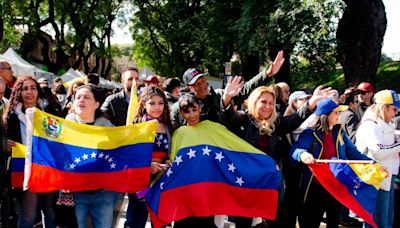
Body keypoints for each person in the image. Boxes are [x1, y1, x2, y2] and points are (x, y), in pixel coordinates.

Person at [220, 76, 333, 227]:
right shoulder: (243, 120)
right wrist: (227, 97)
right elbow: (228, 118)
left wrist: (311, 103)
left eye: (271, 103)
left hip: (270, 183)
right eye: (263, 102)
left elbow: (294, 119)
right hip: (245, 182)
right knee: (244, 222)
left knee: (276, 220)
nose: (268, 106)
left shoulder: (276, 123)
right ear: (254, 102)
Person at [290, 98, 374, 228]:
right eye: (336, 113)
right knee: (310, 223)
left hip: (337, 187)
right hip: (315, 188)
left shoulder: (340, 132)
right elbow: (295, 149)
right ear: (325, 115)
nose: (339, 116)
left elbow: (354, 154)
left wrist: (374, 164)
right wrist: (303, 154)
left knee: (334, 222)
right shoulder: (310, 133)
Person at [170, 51, 285, 130]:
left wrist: (267, 74)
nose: (202, 86)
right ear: (189, 87)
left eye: (202, 81)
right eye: (196, 84)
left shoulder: (220, 95)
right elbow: (174, 133)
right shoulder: (178, 108)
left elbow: (245, 89)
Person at [2, 76, 56, 228]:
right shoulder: (11, 116)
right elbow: (4, 139)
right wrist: (4, 144)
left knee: (49, 211)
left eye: (33, 88)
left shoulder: (50, 111)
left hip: (48, 168)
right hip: (24, 170)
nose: (29, 92)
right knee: (28, 213)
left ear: (38, 91)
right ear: (18, 92)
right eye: (24, 88)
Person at [66, 84, 118, 228]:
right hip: (75, 191)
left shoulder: (109, 128)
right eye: (78, 97)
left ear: (97, 104)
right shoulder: (64, 127)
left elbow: (123, 150)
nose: (81, 100)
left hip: (103, 192)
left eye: (86, 97)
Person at [124, 86, 172, 228]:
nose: (157, 107)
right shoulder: (137, 125)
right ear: (143, 104)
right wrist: (147, 166)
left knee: (160, 221)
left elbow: (170, 150)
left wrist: (169, 160)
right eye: (152, 103)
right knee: (136, 220)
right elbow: (129, 154)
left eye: (160, 103)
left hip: (161, 181)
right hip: (140, 181)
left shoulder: (168, 125)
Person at [171, 93, 218, 228]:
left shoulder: (212, 128)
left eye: (194, 110)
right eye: (187, 112)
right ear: (180, 113)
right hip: (185, 188)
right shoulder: (179, 133)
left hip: (206, 187)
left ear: (200, 108)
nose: (191, 115)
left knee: (205, 221)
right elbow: (174, 159)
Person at [355, 90, 400, 228]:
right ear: (384, 107)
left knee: (386, 221)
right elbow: (378, 151)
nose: (396, 113)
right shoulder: (370, 125)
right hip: (374, 180)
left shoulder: (386, 124)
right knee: (375, 222)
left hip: (386, 177)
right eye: (394, 109)